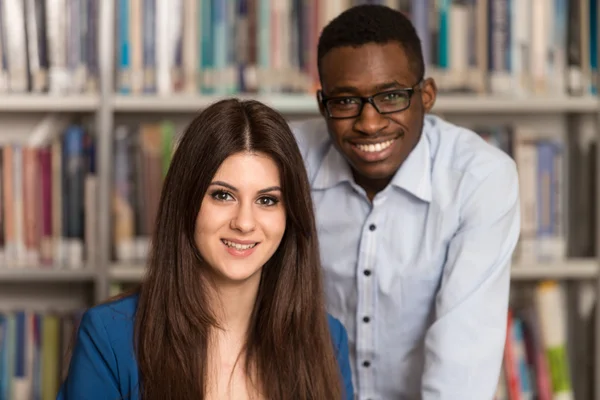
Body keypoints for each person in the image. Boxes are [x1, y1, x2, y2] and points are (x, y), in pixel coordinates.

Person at [290, 4, 520, 399]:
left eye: (391, 96)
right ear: (322, 104)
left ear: (426, 96)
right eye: (345, 101)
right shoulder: (285, 161)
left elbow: (461, 359)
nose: (370, 123)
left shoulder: (479, 179)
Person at [57, 99, 354, 400]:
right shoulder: (109, 336)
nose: (244, 222)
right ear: (187, 201)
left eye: (267, 200)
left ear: (291, 215)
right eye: (223, 195)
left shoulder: (328, 341)